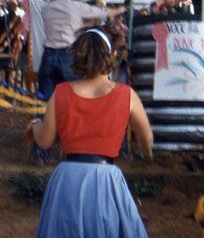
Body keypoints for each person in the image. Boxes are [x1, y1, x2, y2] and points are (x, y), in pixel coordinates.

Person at [26, 25, 152, 238]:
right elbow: (146, 137)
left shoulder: (61, 92)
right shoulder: (126, 95)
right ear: (112, 54)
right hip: (106, 179)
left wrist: (35, 126)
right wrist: (146, 154)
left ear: (78, 56)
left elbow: (45, 141)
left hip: (68, 179)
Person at [38, 0, 126, 100]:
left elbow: (68, 25)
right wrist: (121, 9)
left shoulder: (46, 9)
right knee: (74, 96)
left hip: (48, 56)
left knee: (46, 100)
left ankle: (41, 119)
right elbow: (103, 13)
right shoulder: (76, 7)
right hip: (68, 56)